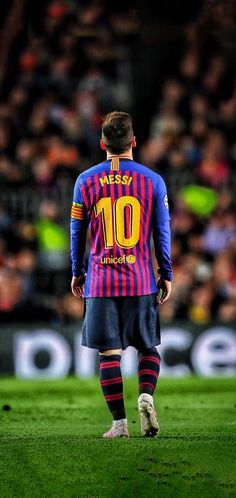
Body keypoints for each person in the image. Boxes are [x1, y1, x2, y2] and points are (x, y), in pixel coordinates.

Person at [70, 111, 172, 438]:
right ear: (134, 142)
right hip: (140, 279)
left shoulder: (85, 181)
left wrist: (77, 272)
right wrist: (165, 272)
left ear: (102, 143)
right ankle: (145, 396)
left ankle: (119, 424)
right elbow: (162, 232)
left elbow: (77, 232)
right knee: (147, 348)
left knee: (108, 354)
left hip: (100, 281)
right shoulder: (153, 181)